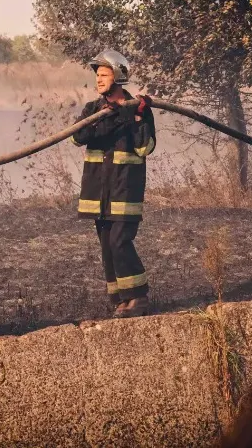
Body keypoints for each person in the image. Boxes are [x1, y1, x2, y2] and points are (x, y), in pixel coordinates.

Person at [71, 50, 157, 317]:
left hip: (124, 189)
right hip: (98, 192)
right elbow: (77, 138)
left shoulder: (138, 109)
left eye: (104, 74)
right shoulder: (92, 109)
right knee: (107, 245)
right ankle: (120, 300)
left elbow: (146, 148)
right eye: (97, 75)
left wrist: (137, 119)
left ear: (118, 76)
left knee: (120, 241)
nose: (98, 80)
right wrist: (103, 116)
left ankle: (139, 297)